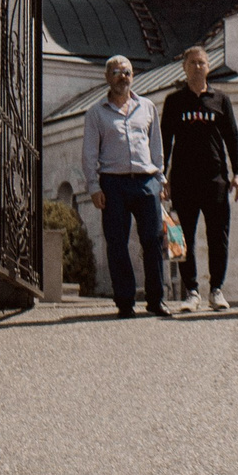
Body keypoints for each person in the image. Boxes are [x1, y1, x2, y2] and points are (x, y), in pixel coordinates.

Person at [84, 55, 169, 318]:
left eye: (128, 72)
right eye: (118, 72)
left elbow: (156, 146)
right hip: (113, 184)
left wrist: (161, 180)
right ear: (108, 77)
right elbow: (89, 153)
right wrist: (94, 186)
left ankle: (156, 300)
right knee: (117, 242)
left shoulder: (147, 107)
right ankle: (125, 301)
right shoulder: (96, 112)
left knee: (153, 240)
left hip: (146, 182)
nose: (123, 77)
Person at [161, 46, 238, 312]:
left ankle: (216, 290)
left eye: (202, 63)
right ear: (184, 67)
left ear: (209, 67)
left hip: (215, 179)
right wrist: (162, 178)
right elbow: (164, 143)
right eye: (193, 63)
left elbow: (233, 139)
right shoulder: (174, 102)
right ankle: (191, 292)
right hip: (183, 180)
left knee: (218, 236)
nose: (198, 67)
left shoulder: (221, 100)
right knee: (180, 237)